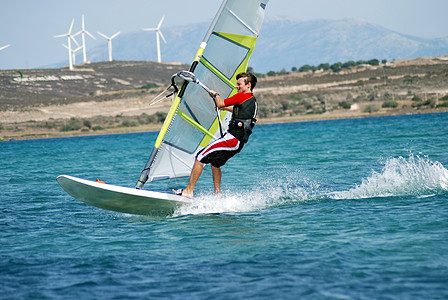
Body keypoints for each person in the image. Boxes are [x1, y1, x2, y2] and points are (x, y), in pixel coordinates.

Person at [174, 72, 258, 198]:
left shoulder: (241, 96)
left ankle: (188, 191)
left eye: (239, 84)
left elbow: (220, 103)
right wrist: (224, 108)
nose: (237, 86)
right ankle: (217, 196)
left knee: (200, 157)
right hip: (238, 143)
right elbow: (238, 111)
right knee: (215, 163)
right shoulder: (252, 100)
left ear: (248, 85)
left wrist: (216, 95)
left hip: (231, 139)